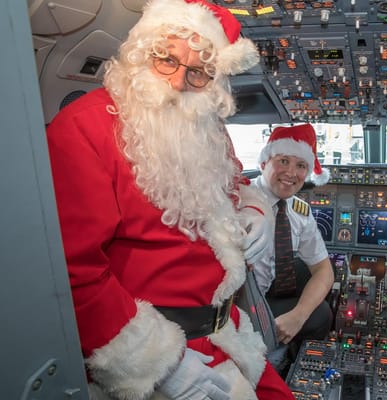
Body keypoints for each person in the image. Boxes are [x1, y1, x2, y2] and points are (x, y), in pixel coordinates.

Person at [45, 0, 294, 399]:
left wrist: (254, 206)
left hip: (224, 330)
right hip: (156, 350)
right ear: (143, 52)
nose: (179, 81)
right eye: (166, 60)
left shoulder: (204, 129)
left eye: (198, 73)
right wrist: (161, 365)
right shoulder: (82, 129)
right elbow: (70, 270)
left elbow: (232, 184)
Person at [251, 124, 335, 355]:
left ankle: (293, 359)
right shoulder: (239, 199)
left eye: (300, 165)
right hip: (235, 304)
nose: (291, 173)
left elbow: (324, 270)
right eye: (283, 161)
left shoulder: (300, 211)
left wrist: (298, 316)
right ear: (263, 163)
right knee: (321, 314)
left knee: (318, 305)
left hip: (265, 291)